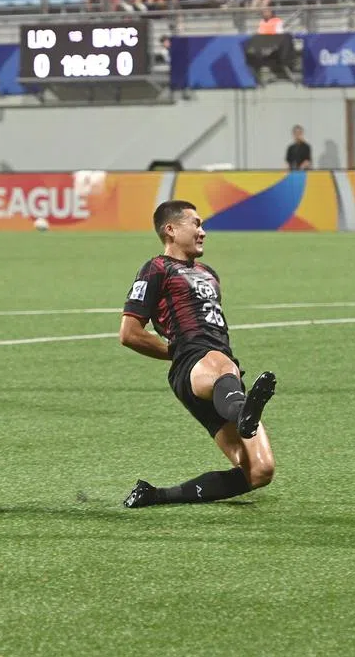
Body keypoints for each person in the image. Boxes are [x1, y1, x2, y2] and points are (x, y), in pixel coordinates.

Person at [118, 200, 277, 509]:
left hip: (219, 377)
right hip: (194, 362)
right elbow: (129, 333)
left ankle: (155, 495)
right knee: (221, 363)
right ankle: (243, 410)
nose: (203, 232)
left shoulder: (208, 273)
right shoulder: (156, 269)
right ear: (170, 229)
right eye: (196, 224)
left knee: (260, 470)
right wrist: (176, 352)